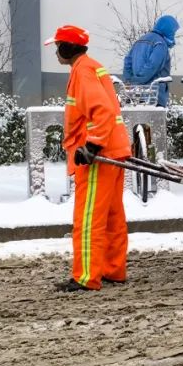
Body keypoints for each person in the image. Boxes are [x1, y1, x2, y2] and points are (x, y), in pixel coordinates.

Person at [46, 25, 132, 292]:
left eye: (58, 46)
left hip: (99, 155)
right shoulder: (92, 66)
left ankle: (86, 276)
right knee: (111, 216)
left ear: (67, 48)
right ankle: (113, 269)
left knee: (89, 218)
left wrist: (92, 146)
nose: (56, 52)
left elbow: (101, 111)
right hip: (116, 149)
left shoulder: (82, 71)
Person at [123, 14, 179, 107]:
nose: (173, 34)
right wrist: (138, 81)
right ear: (168, 29)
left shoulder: (139, 41)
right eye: (173, 31)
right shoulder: (160, 44)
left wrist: (130, 82)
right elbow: (152, 66)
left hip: (136, 94)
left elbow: (128, 62)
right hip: (154, 94)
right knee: (154, 121)